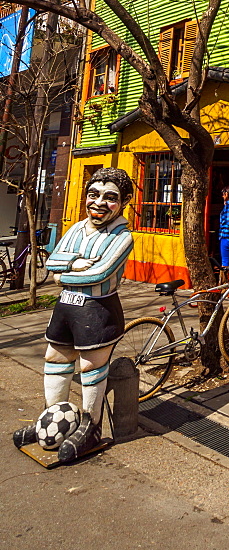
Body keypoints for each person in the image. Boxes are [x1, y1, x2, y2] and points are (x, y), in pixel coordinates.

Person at [13, 167, 134, 461]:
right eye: (93, 194)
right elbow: (52, 262)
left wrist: (65, 273)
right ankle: (51, 417)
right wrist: (73, 264)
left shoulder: (123, 237)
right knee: (55, 359)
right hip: (66, 307)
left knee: (90, 366)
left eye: (110, 197)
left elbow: (99, 274)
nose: (99, 203)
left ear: (125, 201)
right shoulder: (77, 228)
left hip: (98, 310)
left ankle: (90, 426)